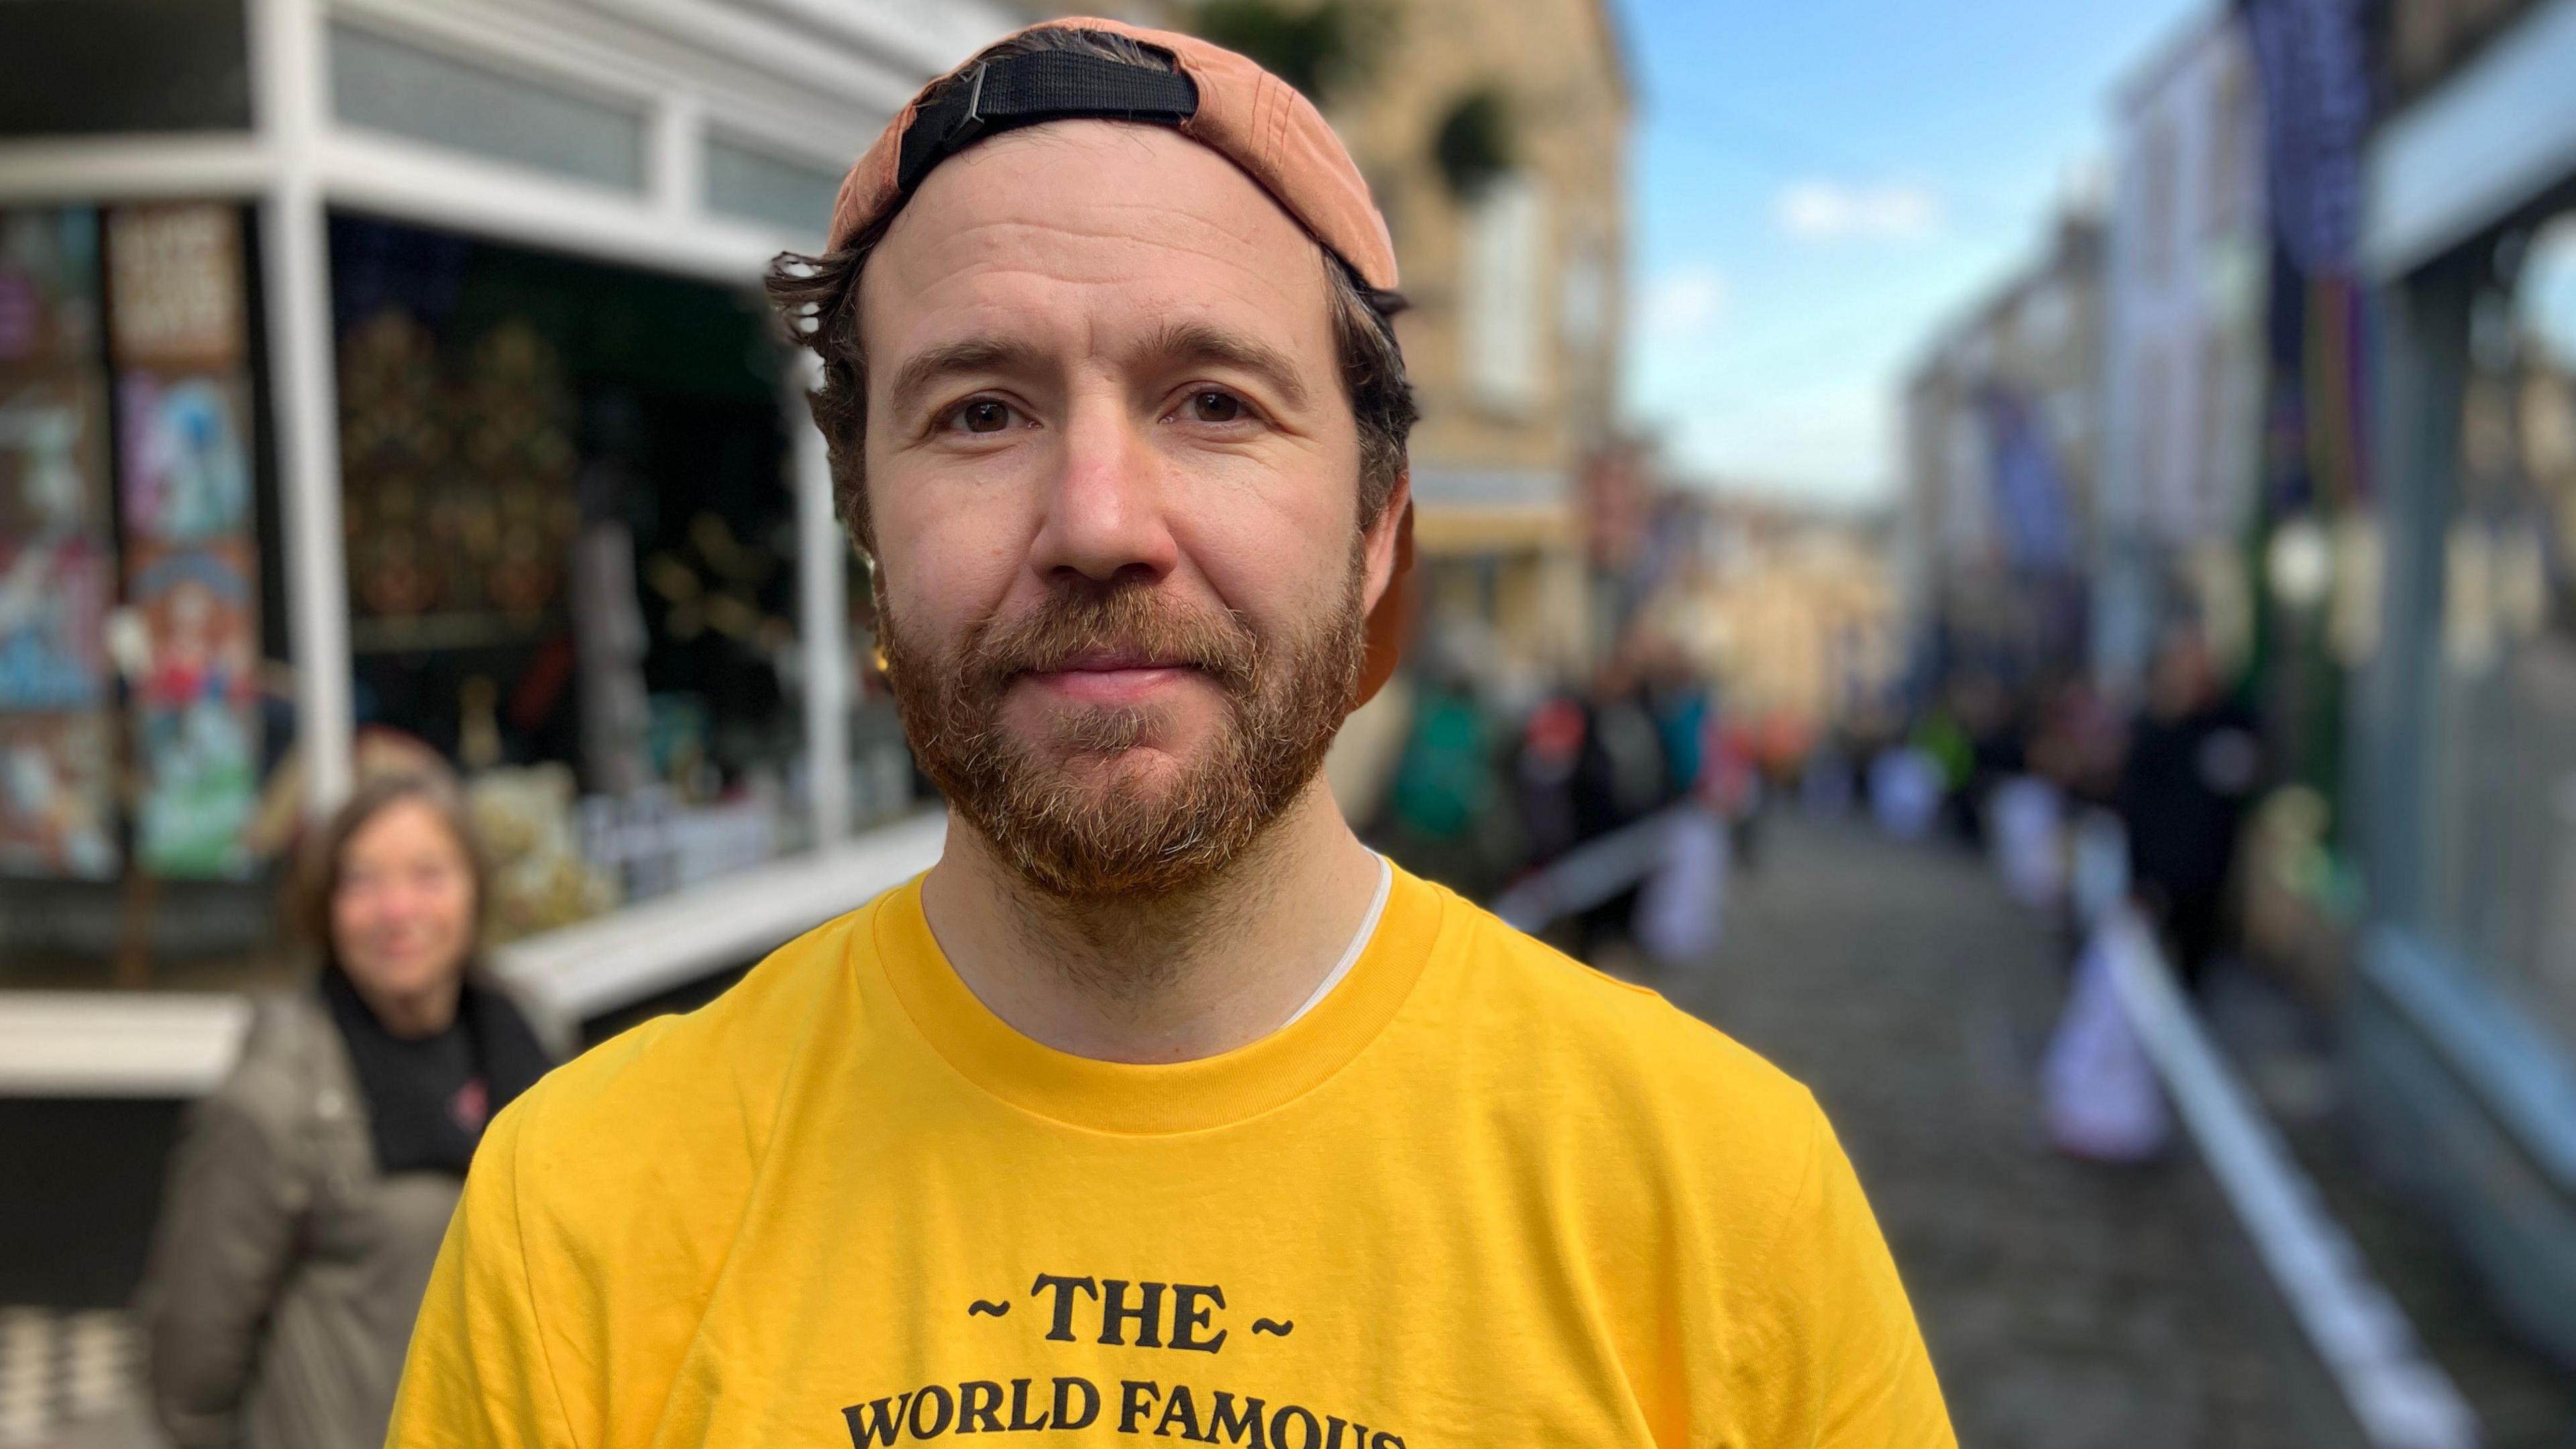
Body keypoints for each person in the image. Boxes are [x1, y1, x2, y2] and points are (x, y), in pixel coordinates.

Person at [390, 20, 1953, 1447]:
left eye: (1213, 402)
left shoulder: (1723, 1209)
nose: (1098, 523)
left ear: (1375, 528)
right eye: (980, 411)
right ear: (868, 534)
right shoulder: (578, 1216)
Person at [138, 773, 553, 1449]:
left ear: (476, 889)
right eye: (362, 881)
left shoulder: (528, 1038)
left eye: (428, 874)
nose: (397, 909)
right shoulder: (273, 1099)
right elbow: (191, 1369)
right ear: (323, 905)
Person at [2119, 625, 2261, 989]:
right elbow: (2137, 799)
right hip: (2161, 867)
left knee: (2197, 962)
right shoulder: (2156, 724)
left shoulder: (2231, 720)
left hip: (2209, 865)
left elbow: (2245, 774)